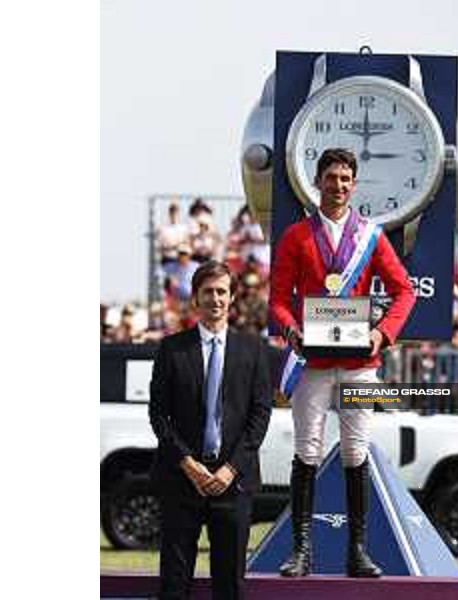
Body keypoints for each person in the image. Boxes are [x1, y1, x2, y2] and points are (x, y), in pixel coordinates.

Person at [269, 148, 416, 578]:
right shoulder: (296, 236)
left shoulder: (371, 235)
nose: (337, 185)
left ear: (354, 185)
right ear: (317, 182)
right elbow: (278, 300)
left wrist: (381, 333)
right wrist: (292, 331)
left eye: (345, 179)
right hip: (312, 361)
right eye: (330, 177)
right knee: (307, 451)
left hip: (359, 362)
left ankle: (357, 551)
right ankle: (301, 550)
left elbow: (404, 291)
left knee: (355, 452)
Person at [149, 260, 272, 600]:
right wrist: (188, 463)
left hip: (234, 483)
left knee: (229, 584)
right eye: (208, 292)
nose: (215, 299)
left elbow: (260, 415)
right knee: (174, 584)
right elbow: (159, 415)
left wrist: (230, 469)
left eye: (221, 292)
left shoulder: (254, 350)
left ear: (232, 298)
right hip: (181, 481)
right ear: (195, 299)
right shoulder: (172, 349)